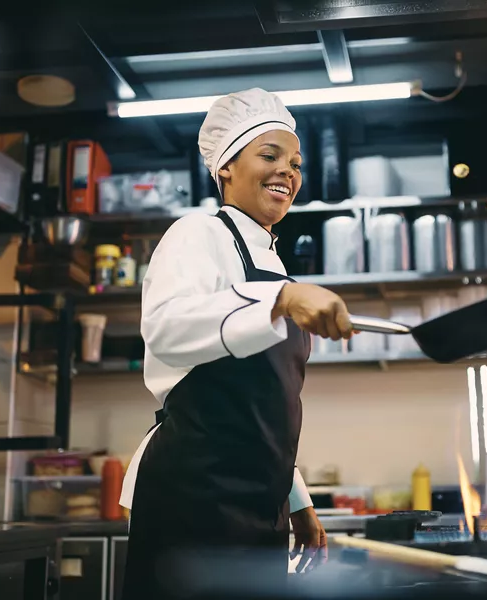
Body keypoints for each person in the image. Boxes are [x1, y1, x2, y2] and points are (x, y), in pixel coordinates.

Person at [119, 89, 353, 599]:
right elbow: (165, 327)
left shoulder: (276, 267)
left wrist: (297, 500)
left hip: (259, 503)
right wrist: (280, 301)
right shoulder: (196, 233)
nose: (287, 173)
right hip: (193, 495)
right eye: (269, 156)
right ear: (225, 167)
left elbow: (262, 409)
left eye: (295, 163)